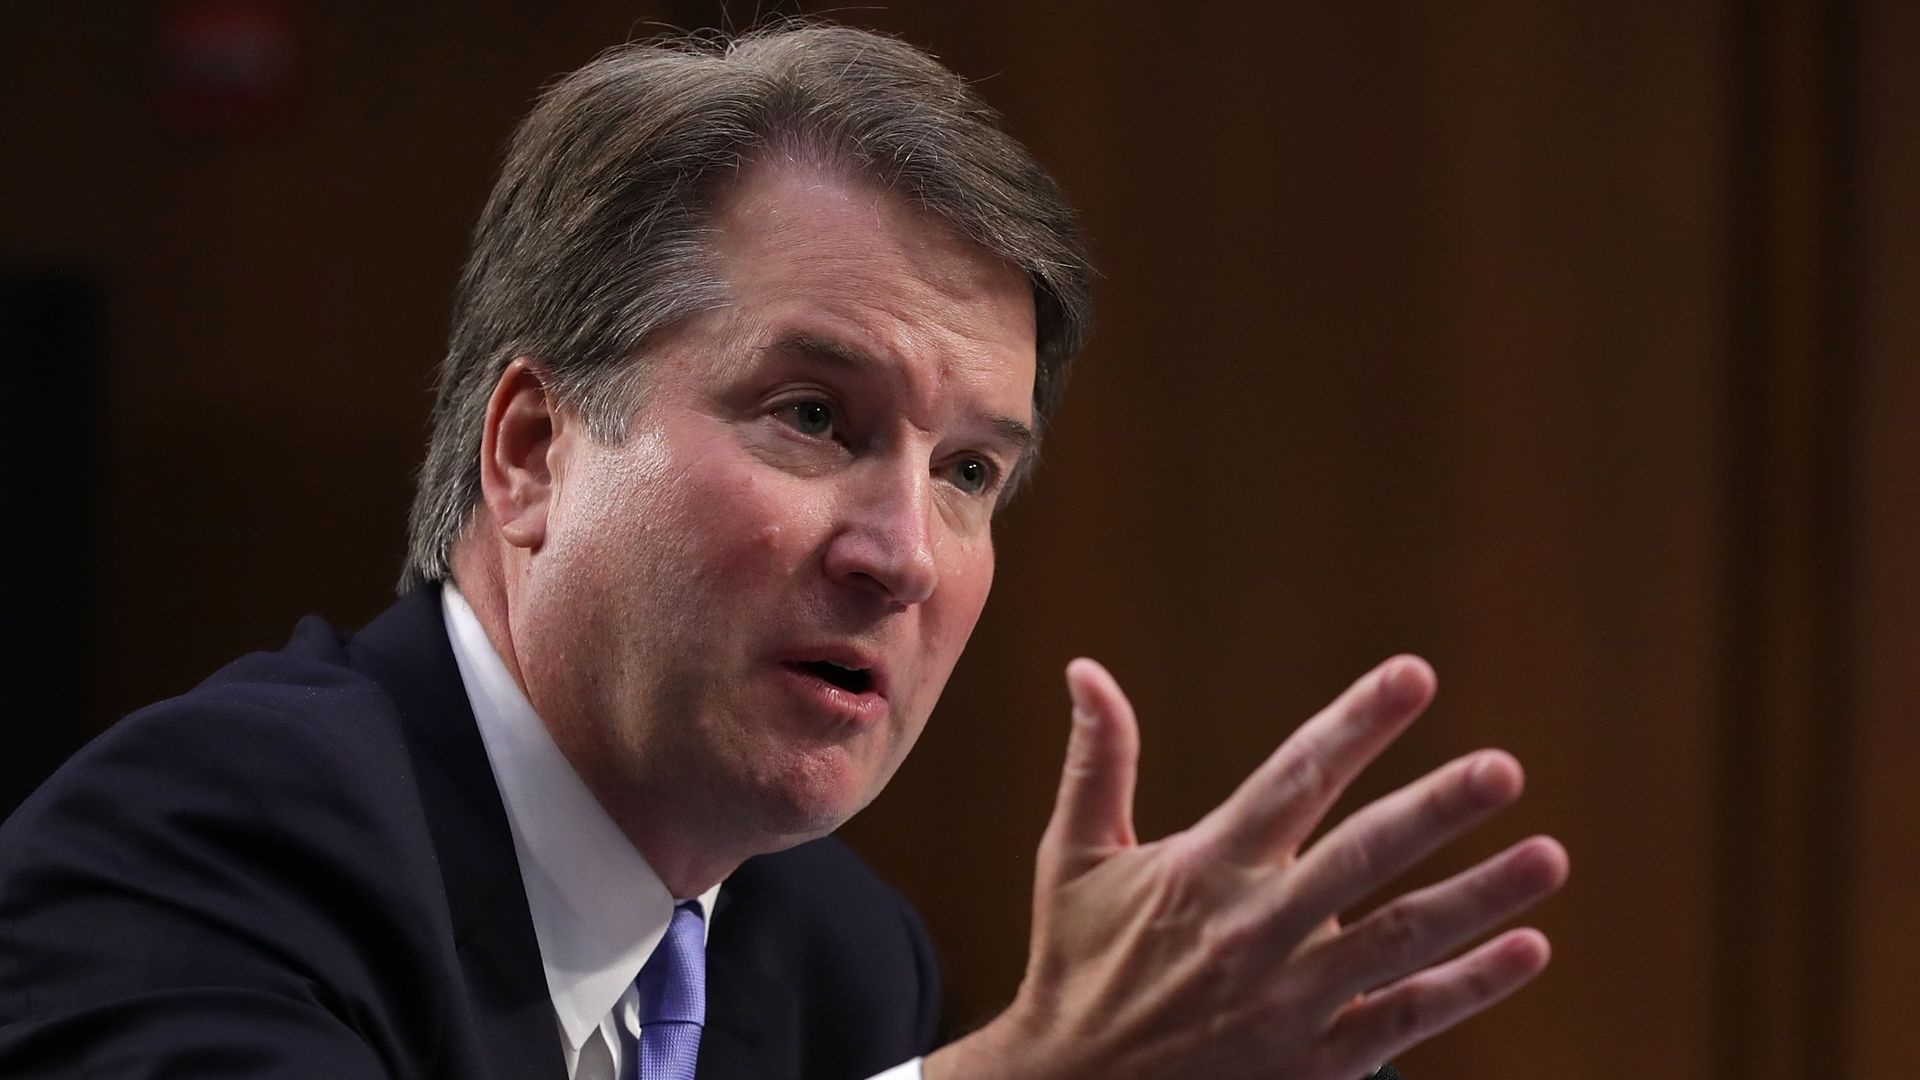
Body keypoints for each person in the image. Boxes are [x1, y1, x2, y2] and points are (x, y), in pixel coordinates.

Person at [0, 22, 1567, 1080]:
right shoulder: (206, 844)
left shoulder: (831, 963)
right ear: (535, 450)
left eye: (968, 470)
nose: (902, 550)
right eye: (815, 416)